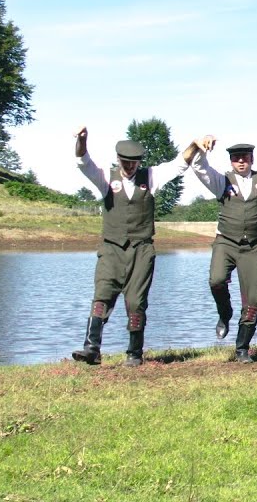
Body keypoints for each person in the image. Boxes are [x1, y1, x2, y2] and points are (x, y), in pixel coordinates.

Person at [70, 126, 200, 367]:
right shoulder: (106, 178)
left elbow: (178, 164)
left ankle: (134, 353)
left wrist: (194, 145)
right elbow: (83, 162)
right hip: (111, 249)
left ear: (140, 162)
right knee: (102, 295)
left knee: (136, 301)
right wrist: (81, 140)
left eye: (134, 162)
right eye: (126, 162)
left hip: (141, 249)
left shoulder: (150, 177)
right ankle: (92, 348)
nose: (130, 166)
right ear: (118, 159)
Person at [188, 135, 257, 363]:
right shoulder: (222, 181)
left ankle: (242, 348)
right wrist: (200, 148)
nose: (241, 162)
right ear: (231, 161)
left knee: (255, 298)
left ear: (252, 159)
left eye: (245, 158)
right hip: (226, 242)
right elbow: (199, 167)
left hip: (254, 246)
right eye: (236, 158)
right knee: (216, 280)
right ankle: (225, 312)